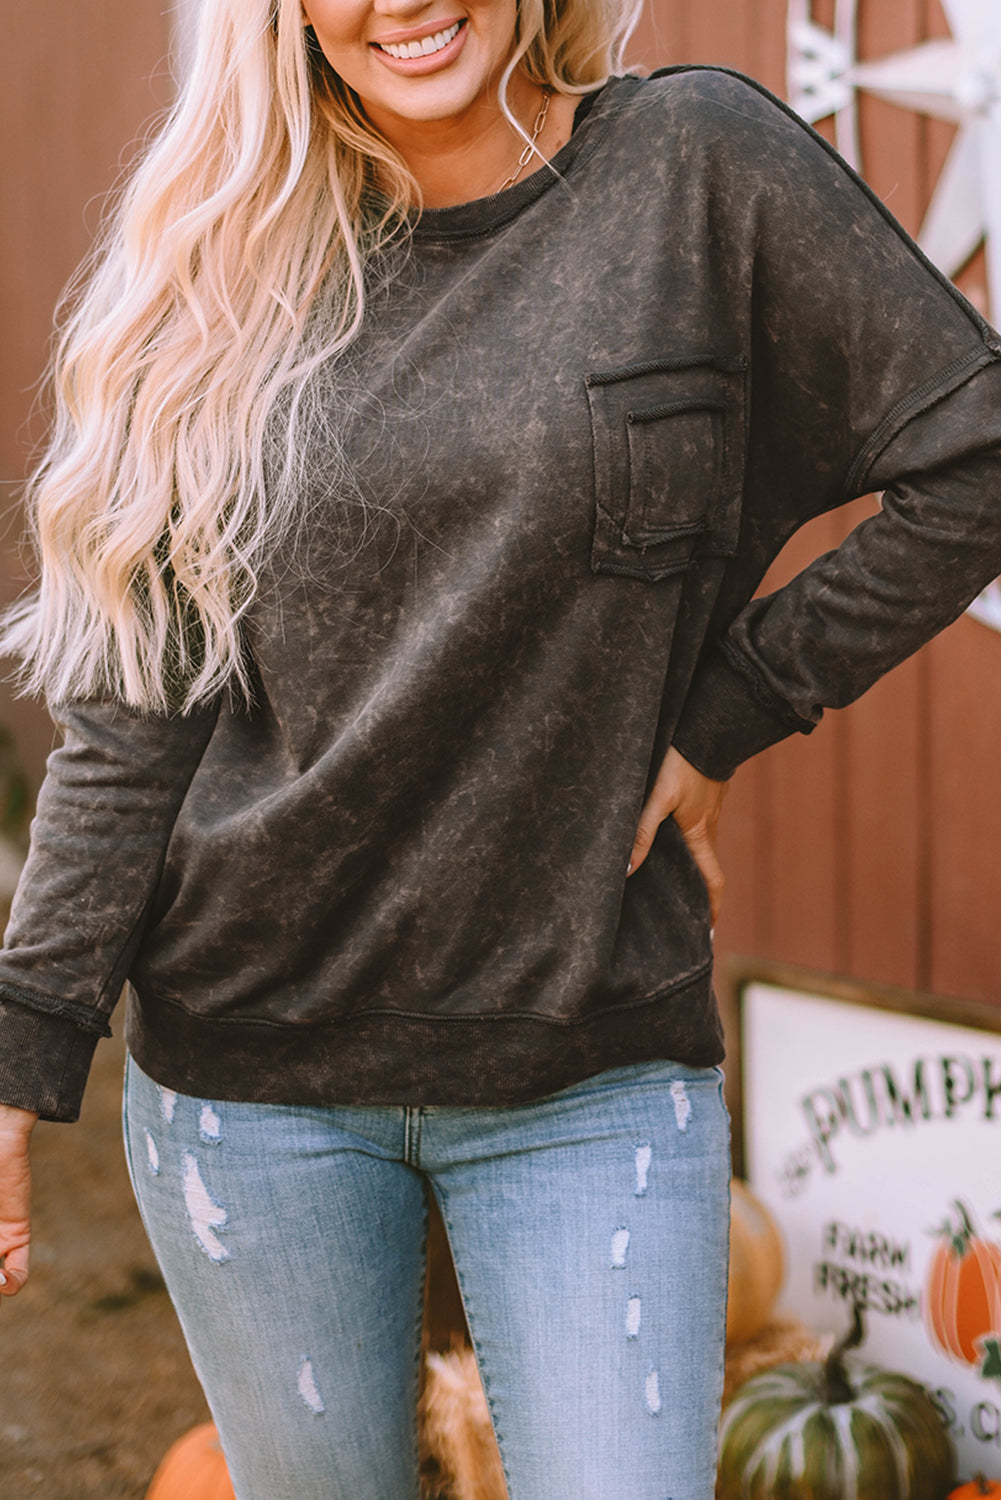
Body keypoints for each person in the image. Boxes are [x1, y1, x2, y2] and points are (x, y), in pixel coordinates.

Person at [1, 0, 1001, 1494]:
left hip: (587, 1058)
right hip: (256, 1082)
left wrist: (728, 712)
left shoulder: (688, 168)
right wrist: (19, 1064)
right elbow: (133, 714)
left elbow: (970, 457)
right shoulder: (216, 265)